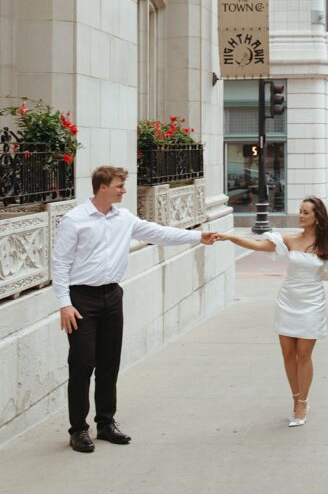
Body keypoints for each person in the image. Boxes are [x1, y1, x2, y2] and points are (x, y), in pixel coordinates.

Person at [52, 165, 215, 453]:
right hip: (81, 300)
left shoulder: (123, 218)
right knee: (81, 364)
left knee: (109, 361)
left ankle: (106, 423)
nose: (124, 190)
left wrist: (197, 236)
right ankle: (78, 429)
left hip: (112, 296)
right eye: (119, 185)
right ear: (103, 187)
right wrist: (64, 304)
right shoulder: (74, 220)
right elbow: (60, 264)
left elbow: (159, 233)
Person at [216, 195, 328, 427]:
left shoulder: (326, 244)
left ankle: (303, 402)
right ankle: (295, 399)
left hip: (312, 302)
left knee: (304, 355)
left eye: (306, 212)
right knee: (288, 355)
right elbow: (258, 245)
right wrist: (230, 237)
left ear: (317, 217)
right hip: (288, 299)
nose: (300, 215)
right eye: (300, 211)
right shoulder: (289, 239)